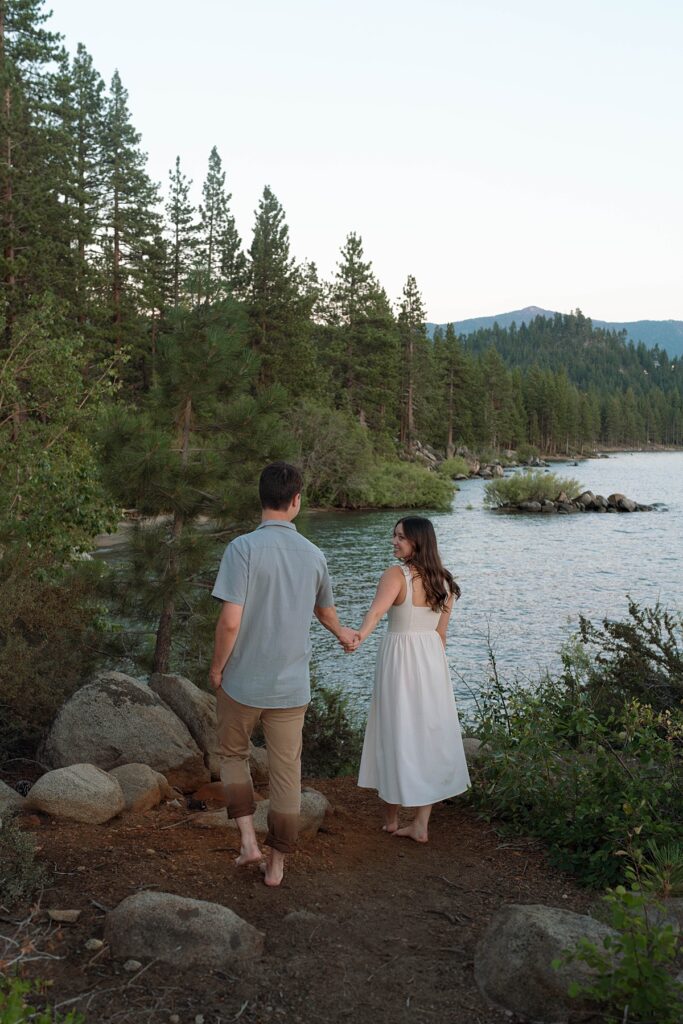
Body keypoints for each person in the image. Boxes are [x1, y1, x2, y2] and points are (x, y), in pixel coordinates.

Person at [208, 461, 356, 886]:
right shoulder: (314, 554)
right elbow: (324, 611)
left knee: (234, 756)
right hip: (292, 686)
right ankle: (277, 865)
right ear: (296, 501)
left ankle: (249, 843)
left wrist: (217, 668)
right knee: (286, 771)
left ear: (261, 498)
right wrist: (343, 633)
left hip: (242, 682)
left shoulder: (242, 549)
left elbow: (230, 621)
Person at [354, 516, 470, 841]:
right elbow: (441, 635)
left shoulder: (396, 575)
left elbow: (376, 613)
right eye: (394, 535)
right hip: (431, 661)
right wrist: (435, 672)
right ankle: (420, 824)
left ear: (418, 541)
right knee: (428, 734)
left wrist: (358, 637)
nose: (394, 541)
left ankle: (391, 819)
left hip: (400, 659)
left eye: (400, 537)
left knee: (393, 729)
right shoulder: (446, 583)